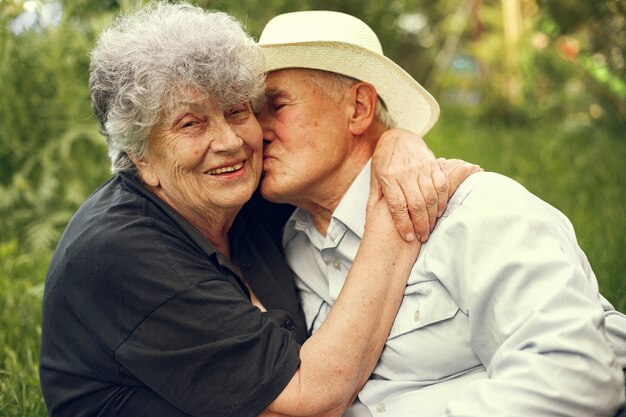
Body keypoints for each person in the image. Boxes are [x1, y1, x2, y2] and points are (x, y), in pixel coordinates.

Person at [38, 3, 480, 417]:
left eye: (236, 111)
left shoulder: (244, 196)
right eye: (190, 123)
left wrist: (396, 143)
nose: (230, 142)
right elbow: (314, 397)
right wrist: (392, 215)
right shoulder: (121, 252)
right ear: (142, 158)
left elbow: (340, 154)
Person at [256, 10, 626, 417]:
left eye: (276, 106)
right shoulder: (287, 245)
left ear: (359, 108)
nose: (257, 131)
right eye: (252, 113)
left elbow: (576, 374)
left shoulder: (475, 209)